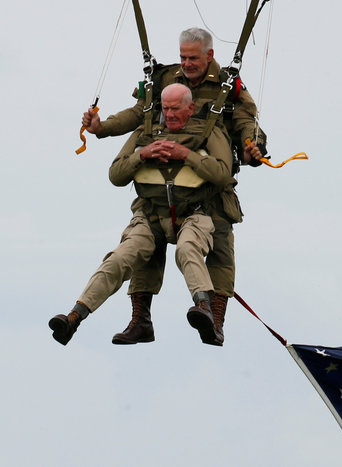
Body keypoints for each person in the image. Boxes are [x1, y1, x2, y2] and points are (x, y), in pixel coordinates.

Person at [80, 27, 266, 346]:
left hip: (208, 180)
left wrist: (253, 147)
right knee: (143, 242)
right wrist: (102, 128)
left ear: (210, 55)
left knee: (218, 246)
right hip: (160, 181)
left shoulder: (229, 87)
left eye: (193, 57)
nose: (187, 63)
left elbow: (247, 124)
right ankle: (141, 320)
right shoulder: (166, 79)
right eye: (182, 56)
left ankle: (214, 321)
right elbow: (141, 113)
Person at [49, 84, 242, 346]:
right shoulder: (146, 132)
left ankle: (204, 309)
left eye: (176, 108)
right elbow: (116, 175)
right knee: (120, 257)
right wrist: (143, 155)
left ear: (191, 108)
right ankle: (74, 318)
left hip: (195, 213)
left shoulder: (210, 131)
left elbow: (222, 175)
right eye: (165, 108)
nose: (170, 114)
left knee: (187, 249)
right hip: (151, 214)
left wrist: (185, 155)